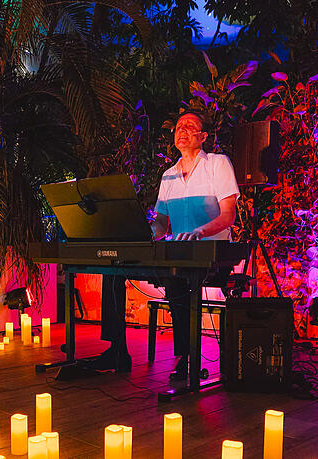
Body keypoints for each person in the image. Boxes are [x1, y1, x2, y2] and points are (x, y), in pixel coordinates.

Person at [89, 111, 239, 380]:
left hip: (210, 252)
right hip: (178, 252)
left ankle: (187, 357)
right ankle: (117, 350)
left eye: (190, 126)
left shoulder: (217, 164)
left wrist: (200, 231)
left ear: (203, 136)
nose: (182, 130)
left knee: (175, 278)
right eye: (179, 126)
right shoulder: (168, 175)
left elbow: (228, 215)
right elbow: (161, 225)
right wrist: (141, 233)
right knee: (115, 271)